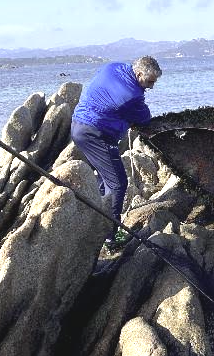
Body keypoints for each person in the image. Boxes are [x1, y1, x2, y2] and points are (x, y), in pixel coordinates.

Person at [70, 56, 162, 249]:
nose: (151, 87)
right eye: (150, 82)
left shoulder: (113, 67)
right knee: (118, 184)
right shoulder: (131, 94)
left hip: (78, 125)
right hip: (96, 134)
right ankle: (110, 236)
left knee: (104, 180)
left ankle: (95, 225)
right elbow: (144, 118)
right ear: (138, 74)